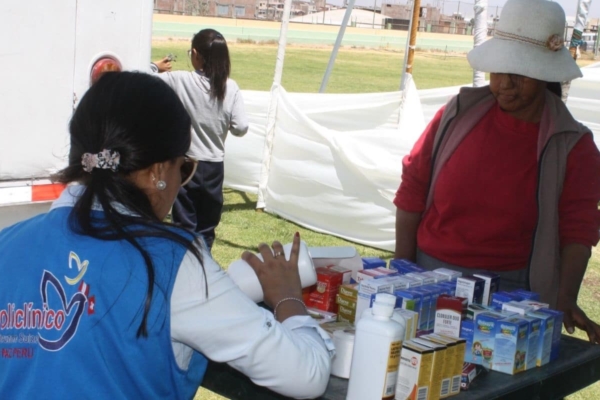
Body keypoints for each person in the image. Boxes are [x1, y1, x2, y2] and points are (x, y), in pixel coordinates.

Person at [0, 72, 332, 399]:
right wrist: (288, 298)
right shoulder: (172, 262)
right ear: (158, 171)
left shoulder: (8, 243)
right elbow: (307, 375)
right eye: (183, 168)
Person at [394, 0, 600, 343]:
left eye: (519, 74)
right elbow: (413, 185)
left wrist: (565, 298)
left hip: (509, 297)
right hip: (426, 280)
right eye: (498, 70)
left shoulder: (573, 146)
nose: (504, 83)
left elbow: (578, 231)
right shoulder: (458, 114)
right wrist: (402, 270)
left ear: (545, 74)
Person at [152, 28, 249, 250]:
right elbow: (241, 127)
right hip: (214, 166)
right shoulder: (230, 87)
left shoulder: (180, 80)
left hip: (186, 166)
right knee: (207, 228)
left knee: (184, 226)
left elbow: (140, 76)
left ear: (196, 54)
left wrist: (155, 67)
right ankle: (204, 270)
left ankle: (184, 272)